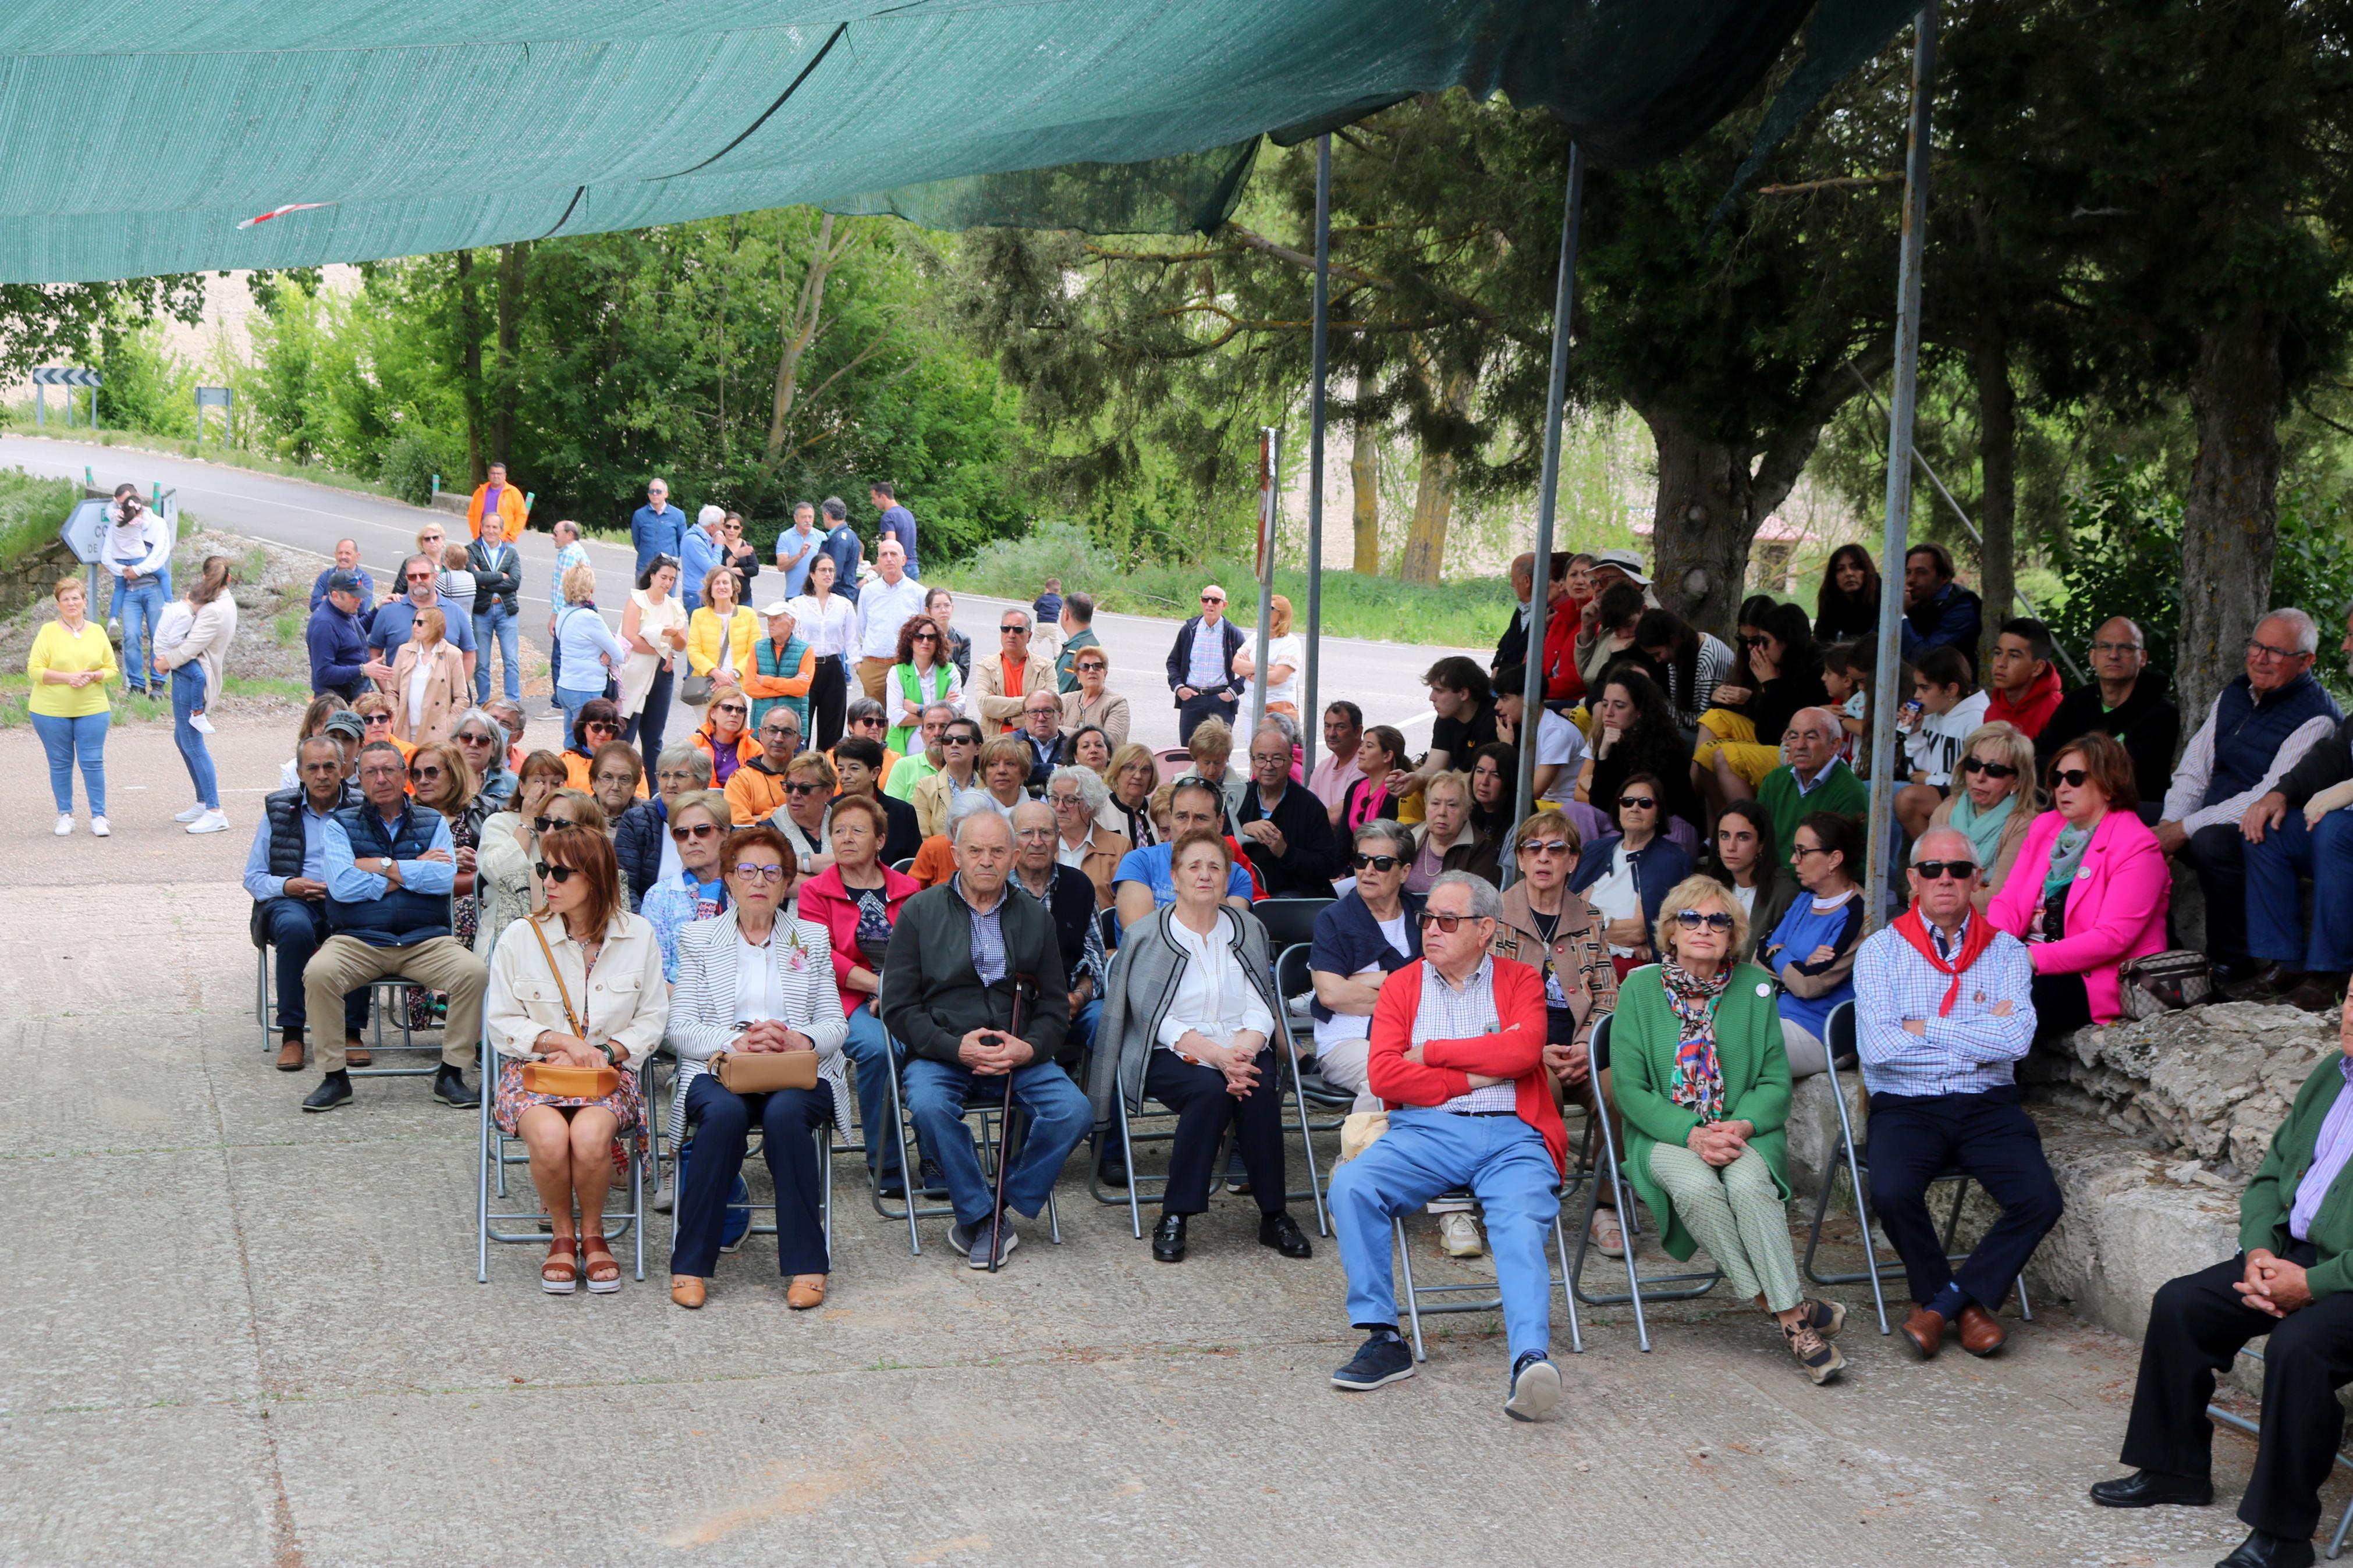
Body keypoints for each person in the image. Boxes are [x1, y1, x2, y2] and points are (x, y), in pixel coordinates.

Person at [2090, 1001, 2353, 1568]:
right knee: (2182, 1303)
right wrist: (2259, 1249)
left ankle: (2282, 1538)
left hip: (2344, 1277)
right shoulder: (2331, 1074)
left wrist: (2311, 1284)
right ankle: (2173, 1468)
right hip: (2292, 1252)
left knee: (2298, 1347)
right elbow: (2267, 1178)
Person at [1325, 872, 1572, 1417]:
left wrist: (1432, 1053)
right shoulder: (1402, 985)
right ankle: (1384, 1337)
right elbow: (1386, 1076)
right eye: (1427, 918)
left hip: (1513, 1131)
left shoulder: (1520, 980)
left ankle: (1529, 1360)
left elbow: (1524, 1051)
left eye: (1447, 920)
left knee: (1519, 1218)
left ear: (1485, 928)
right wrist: (1474, 1072)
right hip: (1426, 1131)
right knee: (1352, 1184)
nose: (1431, 929)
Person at [1609, 874, 1847, 1384]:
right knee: (1695, 1187)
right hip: (1665, 1132)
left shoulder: (1756, 989)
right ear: (1670, 930)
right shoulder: (1638, 988)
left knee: (1748, 1187)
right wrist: (1693, 1133)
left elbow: (1773, 1082)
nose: (1704, 927)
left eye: (1717, 919)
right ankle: (1791, 1316)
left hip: (1743, 1130)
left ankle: (1782, 1305)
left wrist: (1738, 1124)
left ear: (1732, 934)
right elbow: (1630, 1090)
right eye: (1691, 918)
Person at [1854, 827, 2061, 1360]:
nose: (1944, 879)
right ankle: (1966, 1309)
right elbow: (1879, 1048)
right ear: (1912, 880)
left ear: (1977, 880)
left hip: (1987, 1103)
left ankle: (1941, 1306)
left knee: (2039, 1199)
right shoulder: (1880, 951)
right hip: (1906, 1104)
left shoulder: (2008, 953)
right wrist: (1974, 1030)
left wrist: (1923, 1026)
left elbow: (2014, 1042)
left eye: (1958, 870)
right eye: (1931, 869)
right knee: (1892, 1193)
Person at [1089, 828, 1312, 1263]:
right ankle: (1176, 1213)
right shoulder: (1148, 935)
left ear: (1227, 877)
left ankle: (1274, 1216)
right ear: (1174, 877)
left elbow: (1261, 1002)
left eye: (1215, 866)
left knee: (1258, 1090)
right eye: (1194, 866)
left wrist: (1242, 1052)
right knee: (1209, 1092)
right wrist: (1216, 1056)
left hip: (1242, 1044)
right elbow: (1154, 1016)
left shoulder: (1246, 927)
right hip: (1170, 1050)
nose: (1205, 875)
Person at [877, 810, 1087, 1269]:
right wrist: (956, 1048)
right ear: (955, 854)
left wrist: (1028, 1047)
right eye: (975, 850)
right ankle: (981, 1213)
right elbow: (897, 1008)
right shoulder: (919, 911)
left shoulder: (1035, 917)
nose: (986, 861)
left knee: (1074, 1111)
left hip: (1018, 1051)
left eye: (996, 851)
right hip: (942, 1051)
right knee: (929, 1107)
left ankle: (996, 1209)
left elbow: (1054, 1006)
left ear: (1013, 858)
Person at [659, 822, 842, 1309]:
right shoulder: (698, 938)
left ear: (786, 884)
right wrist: (737, 1042)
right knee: (723, 1116)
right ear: (729, 878)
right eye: (746, 870)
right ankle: (691, 1263)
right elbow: (680, 1027)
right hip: (720, 1069)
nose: (758, 880)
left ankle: (808, 1262)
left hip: (798, 1071)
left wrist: (794, 1037)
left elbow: (834, 1024)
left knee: (785, 1117)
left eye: (771, 871)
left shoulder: (810, 937)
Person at [300, 741, 487, 1112]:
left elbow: (443, 878)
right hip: (359, 940)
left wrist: (376, 865)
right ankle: (334, 1077)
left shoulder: (432, 821)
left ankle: (451, 1074)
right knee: (319, 973)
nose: (380, 779)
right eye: (371, 772)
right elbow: (341, 885)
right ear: (359, 778)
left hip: (425, 940)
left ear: (405, 776)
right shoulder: (340, 825)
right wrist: (410, 867)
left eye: (389, 770)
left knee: (473, 972)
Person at [2162, 609, 2345, 983]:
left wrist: (2185, 828)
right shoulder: (2235, 693)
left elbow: (2264, 797)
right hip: (2214, 810)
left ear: (2306, 662)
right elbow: (2195, 767)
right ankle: (2151, 947)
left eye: (2276, 652)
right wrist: (2169, 822)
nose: (2261, 658)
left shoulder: (2317, 715)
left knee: (2220, 840)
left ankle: (2231, 962)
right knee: (2124, 817)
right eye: (2257, 646)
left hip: (2248, 823)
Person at [1986, 733, 2171, 1033]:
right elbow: (2008, 900)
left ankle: (1991, 1082)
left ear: (2109, 785)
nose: (2062, 787)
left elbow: (2112, 938)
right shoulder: (2046, 826)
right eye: (2057, 778)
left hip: (2093, 977)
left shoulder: (2137, 845)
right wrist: (1997, 948)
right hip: (2024, 960)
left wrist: (2028, 959)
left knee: (2003, 1013)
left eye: (2075, 778)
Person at [793, 793, 921, 1194]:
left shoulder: (910, 887)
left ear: (880, 840)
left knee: (936, 1046)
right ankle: (886, 1167)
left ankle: (935, 1158)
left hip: (908, 994)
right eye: (838, 830)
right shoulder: (815, 891)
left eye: (858, 830)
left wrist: (895, 990)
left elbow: (925, 948)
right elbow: (817, 952)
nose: (845, 837)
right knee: (880, 1049)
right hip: (844, 999)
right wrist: (876, 986)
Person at [250, 737, 371, 1071]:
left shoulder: (363, 807)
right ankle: (292, 1035)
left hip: (347, 896)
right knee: (295, 927)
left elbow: (382, 863)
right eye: (313, 767)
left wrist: (344, 885)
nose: (322, 775)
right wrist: (290, 885)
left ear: (344, 769)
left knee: (361, 926)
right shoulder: (278, 810)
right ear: (300, 772)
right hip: (293, 900)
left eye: (330, 766)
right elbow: (254, 877)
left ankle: (351, 1032)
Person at [1309, 821, 1425, 1114]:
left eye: (1383, 863)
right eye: (1362, 861)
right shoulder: (1334, 919)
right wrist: (1406, 993)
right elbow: (1332, 995)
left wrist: (1375, 979)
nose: (1368, 870)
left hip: (1419, 1035)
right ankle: (1355, 1159)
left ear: (1405, 872)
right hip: (1349, 1039)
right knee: (1385, 1078)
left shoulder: (1424, 917)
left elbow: (1444, 982)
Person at [1758, 812, 1866, 1075]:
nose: (1793, 860)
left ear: (1834, 859)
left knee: (1732, 1043)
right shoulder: (1805, 899)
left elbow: (1810, 984)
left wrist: (1780, 953)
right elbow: (1759, 955)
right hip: (1775, 1017)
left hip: (1820, 1032)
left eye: (1803, 852)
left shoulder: (1858, 912)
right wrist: (1796, 963)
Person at [2035, 615, 2182, 806]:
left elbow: (2126, 777)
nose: (2113, 655)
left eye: (2126, 648)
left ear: (2143, 658)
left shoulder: (2161, 713)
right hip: (2068, 803)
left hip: (2129, 811)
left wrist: (2063, 769)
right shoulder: (2076, 701)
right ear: (2092, 657)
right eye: (2105, 647)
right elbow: (2041, 753)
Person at [1694, 602, 1828, 803]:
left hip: (1792, 746)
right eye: (1744, 639)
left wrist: (1770, 685)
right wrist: (1722, 697)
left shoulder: (1815, 670)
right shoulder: (1767, 661)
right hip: (1768, 732)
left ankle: (1751, 826)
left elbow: (1777, 734)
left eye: (1762, 641)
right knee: (1712, 727)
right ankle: (1709, 827)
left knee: (1723, 756)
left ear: (1787, 642)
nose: (1755, 647)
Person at [1009, 799, 1107, 1064]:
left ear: (1059, 839)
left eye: (1046, 833)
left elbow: (1096, 957)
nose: (1037, 842)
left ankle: (1099, 1102)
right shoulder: (998, 889)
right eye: (1027, 833)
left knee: (1107, 1023)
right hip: (1014, 1005)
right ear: (1012, 840)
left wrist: (1078, 997)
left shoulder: (1079, 886)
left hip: (1073, 1004)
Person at [1571, 771, 1695, 978]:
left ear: (1658, 812)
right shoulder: (1594, 850)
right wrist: (1616, 935)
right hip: (1577, 955)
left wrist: (1586, 930)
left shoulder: (1671, 860)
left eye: (1645, 803)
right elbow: (1569, 916)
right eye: (1627, 802)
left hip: (1619, 965)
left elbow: (1639, 930)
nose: (1634, 808)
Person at [154, 554, 237, 834]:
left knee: (192, 743)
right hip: (192, 676)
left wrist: (163, 663)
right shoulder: (224, 603)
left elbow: (190, 647)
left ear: (205, 577)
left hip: (194, 680)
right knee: (183, 738)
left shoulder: (214, 610)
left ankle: (215, 810)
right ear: (229, 578)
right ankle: (203, 803)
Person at [29, 575, 117, 837]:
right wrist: (68, 678)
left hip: (92, 707)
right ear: (58, 604)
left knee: (92, 762)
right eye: (65, 599)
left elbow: (111, 669)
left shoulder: (98, 631)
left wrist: (93, 676)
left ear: (84, 601)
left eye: (75, 598)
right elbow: (35, 670)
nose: (71, 603)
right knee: (60, 762)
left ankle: (99, 816)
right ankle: (65, 814)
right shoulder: (48, 632)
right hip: (50, 710)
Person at [1113, 776, 1255, 929]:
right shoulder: (1139, 863)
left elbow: (1230, 937)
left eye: (1201, 818)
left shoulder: (1237, 875)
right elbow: (1140, 937)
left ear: (1220, 823)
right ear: (1171, 818)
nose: (1189, 828)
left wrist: (1214, 873)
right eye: (1182, 817)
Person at [1928, 721, 2040, 912]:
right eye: (1974, 765)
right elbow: (1922, 881)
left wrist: (1937, 894)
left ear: (2017, 781)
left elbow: (1996, 898)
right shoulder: (1945, 812)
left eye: (1995, 770)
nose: (1980, 777)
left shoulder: (2025, 825)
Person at [1581, 670, 1704, 837]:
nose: (1608, 712)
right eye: (1604, 704)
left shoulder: (1664, 747)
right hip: (1625, 827)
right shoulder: (1611, 741)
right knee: (1575, 811)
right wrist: (1603, 755)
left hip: (1666, 829)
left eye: (1619, 706)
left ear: (1640, 712)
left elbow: (1649, 807)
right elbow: (1599, 805)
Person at [1893, 646, 1994, 840]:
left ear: (1951, 689)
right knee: (1871, 791)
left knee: (1905, 799)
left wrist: (1930, 780)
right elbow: (1915, 773)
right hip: (1935, 787)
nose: (1916, 695)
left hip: (1965, 793)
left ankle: (1936, 858)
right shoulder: (1932, 714)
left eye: (1925, 688)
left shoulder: (1976, 719)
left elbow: (1973, 779)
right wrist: (1914, 733)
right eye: (1917, 687)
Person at [1233, 720, 1339, 898]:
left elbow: (1326, 866)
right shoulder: (1238, 798)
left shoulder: (1309, 807)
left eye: (1277, 758)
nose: (1268, 766)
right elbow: (1216, 843)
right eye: (1260, 758)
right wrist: (1242, 830)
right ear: (1252, 762)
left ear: (1290, 761)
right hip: (1242, 891)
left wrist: (1285, 851)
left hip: (1293, 896)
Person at [1752, 707, 1869, 852]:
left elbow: (1850, 861)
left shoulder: (1849, 791)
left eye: (1811, 737)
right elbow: (1756, 833)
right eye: (1794, 737)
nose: (1800, 745)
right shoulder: (1775, 779)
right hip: (1771, 873)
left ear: (1834, 745)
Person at [1699, 800, 1800, 963]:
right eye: (1724, 836)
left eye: (1743, 837)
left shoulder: (1784, 893)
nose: (1731, 847)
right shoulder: (1709, 885)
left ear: (1761, 845)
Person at [1387, 657, 1498, 804]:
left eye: (1439, 691)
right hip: (1462, 791)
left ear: (1463, 694)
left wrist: (1421, 780)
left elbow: (1476, 780)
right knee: (1411, 798)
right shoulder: (1447, 717)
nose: (1432, 698)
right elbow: (1433, 766)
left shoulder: (1493, 719)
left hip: (1488, 799)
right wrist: (1408, 780)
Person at [613, 744, 708, 911]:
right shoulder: (637, 822)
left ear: (701, 783)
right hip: (649, 920)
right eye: (664, 775)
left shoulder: (716, 823)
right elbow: (625, 887)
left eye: (680, 776)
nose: (670, 784)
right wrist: (647, 927)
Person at [368, 552, 477, 694]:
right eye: (412, 577)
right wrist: (389, 693)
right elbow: (374, 654)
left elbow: (469, 655)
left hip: (444, 700)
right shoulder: (389, 611)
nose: (418, 580)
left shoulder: (455, 611)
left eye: (424, 575)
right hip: (402, 699)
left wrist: (457, 691)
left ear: (435, 576)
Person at [98, 485, 169, 697]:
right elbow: (107, 556)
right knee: (131, 636)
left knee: (159, 636)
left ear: (137, 498)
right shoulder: (118, 522)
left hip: (153, 588)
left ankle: (158, 684)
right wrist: (125, 571)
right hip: (129, 591)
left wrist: (137, 570)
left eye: (127, 502)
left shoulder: (157, 523)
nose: (124, 507)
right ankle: (136, 684)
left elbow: (160, 554)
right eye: (120, 504)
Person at [617, 556, 687, 760]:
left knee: (654, 736)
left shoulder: (675, 607)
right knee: (625, 732)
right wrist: (663, 652)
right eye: (664, 577)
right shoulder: (637, 600)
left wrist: (674, 634)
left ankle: (654, 786)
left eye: (672, 579)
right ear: (653, 576)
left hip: (661, 674)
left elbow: (681, 645)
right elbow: (630, 637)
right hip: (635, 672)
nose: (667, 583)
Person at [787, 551, 857, 749]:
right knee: (802, 727)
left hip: (834, 667)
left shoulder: (843, 605)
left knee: (832, 731)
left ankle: (826, 773)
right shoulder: (797, 604)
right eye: (823, 570)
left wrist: (860, 666)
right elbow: (791, 641)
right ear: (812, 575)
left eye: (831, 570)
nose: (828, 574)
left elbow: (852, 641)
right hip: (806, 668)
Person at [1634, 609, 1737, 735]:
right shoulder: (1678, 656)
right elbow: (1678, 709)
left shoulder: (1710, 658)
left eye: (1658, 654)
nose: (1658, 660)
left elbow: (1707, 723)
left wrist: (1664, 713)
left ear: (1673, 640)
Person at [1166, 584, 1246, 744]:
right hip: (1192, 700)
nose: (1210, 604)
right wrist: (1179, 688)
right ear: (1201, 602)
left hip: (1221, 701)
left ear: (1224, 605)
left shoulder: (1233, 633)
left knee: (1219, 753)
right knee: (1188, 752)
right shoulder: (1189, 630)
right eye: (1206, 599)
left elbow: (1250, 669)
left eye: (1215, 601)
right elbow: (1173, 662)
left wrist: (1232, 693)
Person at [551, 564, 624, 734]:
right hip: (586, 687)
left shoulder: (564, 613)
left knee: (571, 741)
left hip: (566, 685)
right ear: (590, 588)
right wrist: (607, 654)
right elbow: (619, 655)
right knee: (588, 741)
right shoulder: (591, 618)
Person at [846, 538, 921, 705]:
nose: (889, 558)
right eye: (884, 555)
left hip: (905, 666)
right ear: (878, 561)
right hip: (874, 667)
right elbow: (862, 630)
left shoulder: (918, 593)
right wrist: (860, 667)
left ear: (903, 560)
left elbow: (924, 632)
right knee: (874, 722)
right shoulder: (868, 591)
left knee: (904, 720)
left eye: (894, 554)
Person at [1044, 765, 1128, 910]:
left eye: (1070, 800)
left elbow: (1125, 907)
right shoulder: (1041, 843)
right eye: (1055, 799)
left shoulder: (1119, 848)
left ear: (1090, 805)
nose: (1059, 807)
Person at [387, 606, 468, 747]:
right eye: (414, 622)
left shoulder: (453, 655)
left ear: (435, 625)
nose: (414, 626)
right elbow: (391, 690)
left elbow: (462, 697)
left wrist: (448, 726)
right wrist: (395, 716)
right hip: (404, 729)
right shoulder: (404, 651)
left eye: (420, 623)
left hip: (436, 733)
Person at [1406, 770, 1497, 893]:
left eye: (1452, 805)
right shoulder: (1406, 836)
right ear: (1426, 807)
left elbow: (1478, 902)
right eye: (1435, 803)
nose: (1442, 812)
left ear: (1467, 812)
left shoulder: (1480, 848)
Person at [883, 612, 961, 756]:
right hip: (902, 751)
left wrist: (916, 708)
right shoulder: (896, 672)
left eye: (931, 637)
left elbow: (957, 710)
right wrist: (942, 710)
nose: (925, 642)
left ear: (938, 642)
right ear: (910, 641)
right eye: (919, 637)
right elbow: (896, 717)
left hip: (941, 751)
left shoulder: (951, 671)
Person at [970, 605, 1052, 737]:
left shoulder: (1046, 667)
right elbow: (984, 705)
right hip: (995, 743)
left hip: (1033, 744)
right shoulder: (986, 666)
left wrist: (1009, 720)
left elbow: (1052, 707)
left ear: (1029, 636)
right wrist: (1034, 703)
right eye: (1006, 629)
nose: (1011, 634)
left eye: (1018, 630)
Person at [1901, 542, 1985, 660]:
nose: (1910, 579)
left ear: (1944, 577)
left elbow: (1923, 658)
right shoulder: (1912, 600)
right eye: (1908, 572)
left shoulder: (1962, 606)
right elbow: (1873, 641)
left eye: (1921, 572)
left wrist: (1899, 614)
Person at [910, 716, 988, 840]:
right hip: (940, 858)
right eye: (947, 740)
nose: (954, 744)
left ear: (978, 748)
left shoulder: (989, 787)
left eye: (963, 740)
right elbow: (922, 838)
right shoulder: (926, 787)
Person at [1985, 617, 2064, 739]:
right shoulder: (1992, 712)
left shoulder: (2058, 711)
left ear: (2038, 668)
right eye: (1998, 653)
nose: (2001, 663)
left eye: (2014, 656)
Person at [724, 703, 802, 826]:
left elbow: (816, 817)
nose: (778, 739)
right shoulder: (741, 779)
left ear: (798, 740)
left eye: (787, 733)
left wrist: (761, 818)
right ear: (761, 735)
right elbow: (740, 826)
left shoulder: (810, 776)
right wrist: (786, 816)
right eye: (772, 731)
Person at [1232, 594, 1304, 721]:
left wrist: (1252, 674)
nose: (1264, 611)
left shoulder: (1290, 642)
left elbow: (1278, 677)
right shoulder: (1256, 637)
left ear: (1282, 615)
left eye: (1270, 608)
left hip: (1277, 710)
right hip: (1251, 708)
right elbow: (1236, 665)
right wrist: (1266, 668)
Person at [544, 520, 591, 700]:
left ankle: (559, 703)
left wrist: (554, 617)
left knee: (559, 658)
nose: (553, 536)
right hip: (575, 613)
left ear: (569, 535)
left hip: (567, 614)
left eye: (556, 533)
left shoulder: (570, 554)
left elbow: (564, 589)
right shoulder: (573, 551)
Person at [308, 569, 372, 702]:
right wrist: (362, 670)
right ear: (336, 596)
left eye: (360, 595)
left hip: (355, 693)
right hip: (337, 702)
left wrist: (378, 611)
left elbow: (354, 634)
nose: (359, 600)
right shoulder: (324, 624)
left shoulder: (346, 609)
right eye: (354, 596)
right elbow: (323, 673)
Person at [771, 752, 838, 876]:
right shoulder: (768, 831)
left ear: (828, 793)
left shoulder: (844, 827)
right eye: (789, 787)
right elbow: (772, 880)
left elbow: (861, 867)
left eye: (805, 789)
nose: (795, 795)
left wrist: (804, 864)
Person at [1058, 643, 1128, 751]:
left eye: (1097, 666)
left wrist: (1063, 730)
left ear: (1105, 674)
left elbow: (1111, 742)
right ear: (1077, 675)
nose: (1091, 671)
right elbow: (1050, 733)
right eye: (1084, 667)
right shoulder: (1065, 700)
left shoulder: (1117, 703)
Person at [1340, 726, 1408, 834]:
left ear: (1387, 756)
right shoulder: (1356, 787)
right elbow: (1344, 836)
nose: (1360, 751)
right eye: (1362, 745)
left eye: (1369, 746)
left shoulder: (1396, 793)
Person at [691, 690, 761, 794]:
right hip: (702, 803)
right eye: (727, 708)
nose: (734, 714)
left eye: (741, 710)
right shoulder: (694, 744)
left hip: (740, 805)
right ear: (713, 713)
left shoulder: (755, 749)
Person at [1308, 701, 1367, 821]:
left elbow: (1336, 817)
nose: (1331, 734)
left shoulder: (1364, 764)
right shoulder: (1323, 767)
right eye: (1327, 726)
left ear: (1358, 731)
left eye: (1340, 727)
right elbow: (1305, 808)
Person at [886, 702, 954, 804]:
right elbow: (892, 813)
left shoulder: (965, 768)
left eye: (943, 726)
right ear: (922, 735)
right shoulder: (903, 767)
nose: (937, 733)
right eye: (930, 727)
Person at [558, 697, 629, 792]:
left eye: (609, 728)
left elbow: (641, 798)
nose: (603, 733)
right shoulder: (567, 762)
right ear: (583, 727)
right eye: (597, 727)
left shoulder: (628, 761)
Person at [1813, 543, 1881, 644]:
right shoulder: (1830, 600)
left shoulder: (1884, 597)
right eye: (1841, 569)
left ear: (1867, 570)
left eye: (1855, 567)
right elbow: (1822, 641)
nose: (1849, 573)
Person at [1104, 743, 1161, 847]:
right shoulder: (1099, 812)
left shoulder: (1159, 809)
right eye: (1131, 768)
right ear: (1117, 772)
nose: (1138, 776)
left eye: (1145, 770)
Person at [678, 504, 726, 620]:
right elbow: (713, 568)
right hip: (696, 595)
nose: (723, 528)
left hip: (703, 592)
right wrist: (719, 546)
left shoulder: (704, 538)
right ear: (712, 526)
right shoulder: (694, 540)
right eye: (722, 524)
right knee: (701, 633)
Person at [310, 538, 375, 621]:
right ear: (335, 555)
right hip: (327, 623)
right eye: (340, 553)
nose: (343, 557)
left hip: (353, 627)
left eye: (348, 553)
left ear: (357, 556)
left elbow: (362, 608)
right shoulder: (326, 576)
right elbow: (314, 605)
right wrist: (347, 601)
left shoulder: (364, 579)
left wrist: (327, 599)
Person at [463, 459, 527, 541]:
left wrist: (511, 536)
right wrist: (475, 533)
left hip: (505, 540)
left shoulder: (514, 493)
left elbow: (521, 516)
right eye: (493, 473)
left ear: (505, 476)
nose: (496, 476)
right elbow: (471, 514)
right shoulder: (480, 492)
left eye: (499, 474)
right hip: (482, 538)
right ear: (489, 475)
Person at [817, 496, 863, 605]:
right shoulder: (851, 535)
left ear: (827, 515)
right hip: (846, 592)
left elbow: (834, 572)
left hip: (838, 595)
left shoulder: (839, 540)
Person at [1467, 743, 1517, 844]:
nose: (1484, 781)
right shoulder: (1465, 814)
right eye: (1480, 771)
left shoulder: (1518, 824)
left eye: (1495, 775)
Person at [1014, 690, 1064, 789]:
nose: (1041, 718)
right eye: (1034, 712)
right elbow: (1014, 773)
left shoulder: (1073, 747)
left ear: (1061, 717)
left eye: (1048, 711)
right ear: (1025, 717)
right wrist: (1055, 769)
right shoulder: (1010, 742)